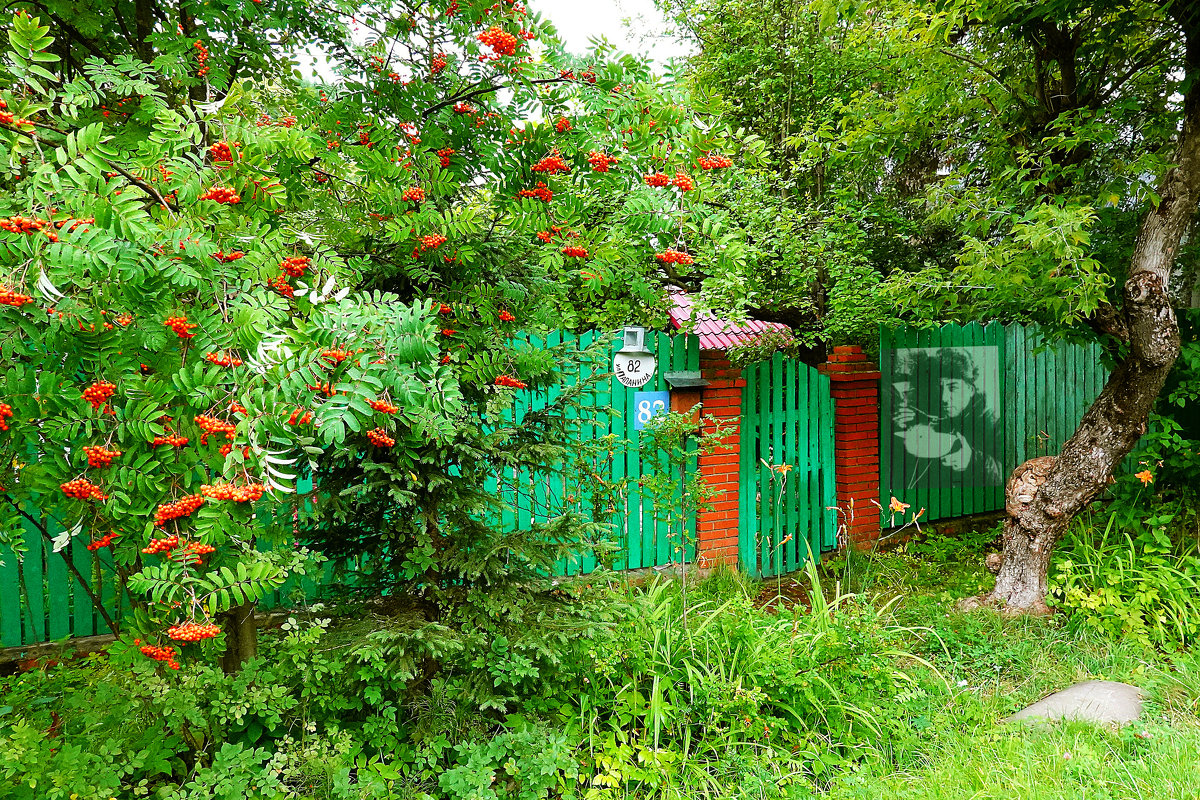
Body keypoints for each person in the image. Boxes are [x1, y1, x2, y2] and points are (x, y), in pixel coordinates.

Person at [891, 347, 1002, 489]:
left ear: (971, 389)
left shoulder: (991, 422)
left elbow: (1004, 472)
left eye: (953, 387)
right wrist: (905, 424)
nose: (944, 398)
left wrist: (972, 459)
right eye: (939, 387)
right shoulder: (934, 415)